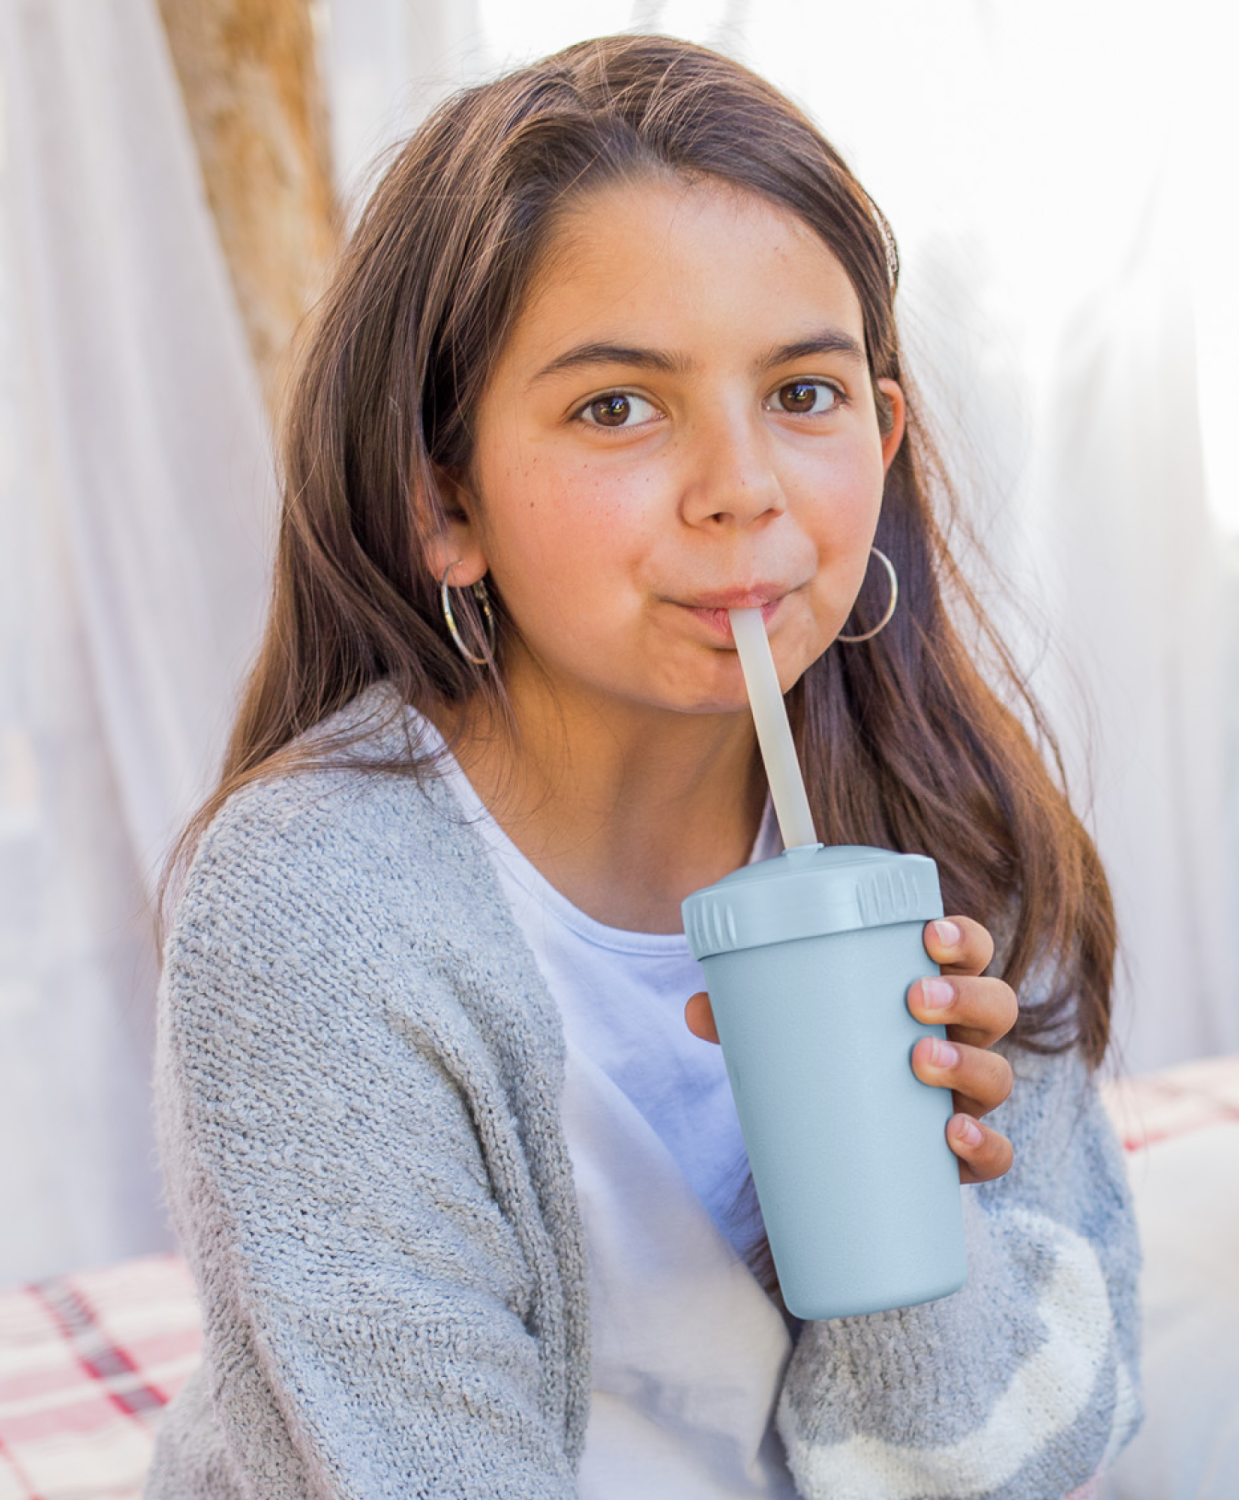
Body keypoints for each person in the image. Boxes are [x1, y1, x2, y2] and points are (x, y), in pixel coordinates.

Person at [146, 33, 1141, 1500]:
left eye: (802, 395)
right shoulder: (314, 910)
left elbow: (1038, 1449)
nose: (740, 489)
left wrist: (914, 1235)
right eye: (617, 406)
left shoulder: (952, 823)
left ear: (883, 436)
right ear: (444, 503)